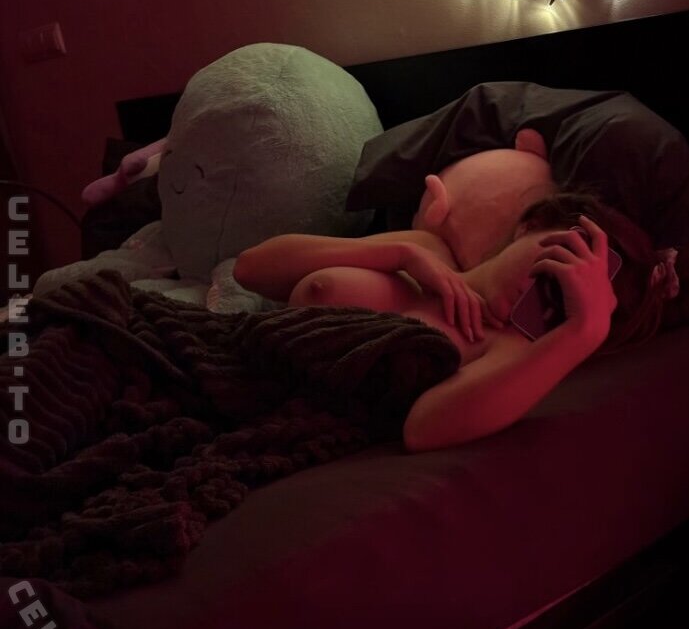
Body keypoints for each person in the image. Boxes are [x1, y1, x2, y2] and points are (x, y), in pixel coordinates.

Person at [234, 191, 679, 452]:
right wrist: (401, 255)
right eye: (552, 266)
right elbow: (251, 268)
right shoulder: (425, 249)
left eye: (560, 299)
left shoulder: (505, 349)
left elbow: (425, 429)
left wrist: (584, 331)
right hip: (230, 356)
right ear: (531, 226)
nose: (538, 293)